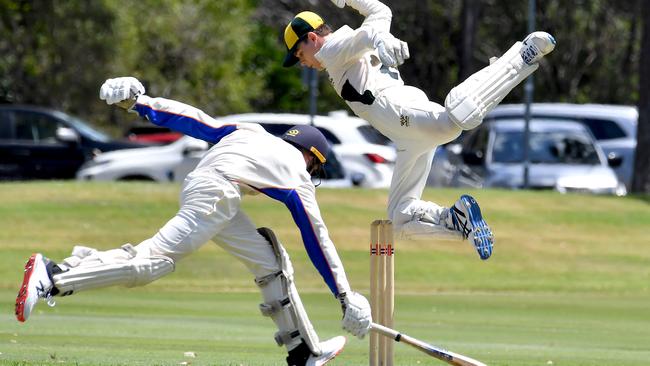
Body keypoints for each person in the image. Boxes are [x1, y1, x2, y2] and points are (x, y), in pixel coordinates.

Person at [15, 77, 372, 366]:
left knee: (270, 261)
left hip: (208, 188)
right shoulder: (297, 172)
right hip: (218, 194)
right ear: (311, 156)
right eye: (315, 166)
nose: (313, 172)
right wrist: (345, 295)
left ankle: (304, 351)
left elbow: (195, 120)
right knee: (152, 263)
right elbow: (316, 237)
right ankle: (54, 276)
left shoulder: (252, 132)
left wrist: (140, 101)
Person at [282, 0, 556, 260]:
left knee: (456, 116)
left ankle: (521, 56)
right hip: (405, 136)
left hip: (399, 112)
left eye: (299, 54)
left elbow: (365, 37)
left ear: (312, 39)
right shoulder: (338, 50)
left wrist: (378, 39)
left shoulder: (329, 49)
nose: (303, 62)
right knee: (400, 217)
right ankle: (457, 217)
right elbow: (380, 11)